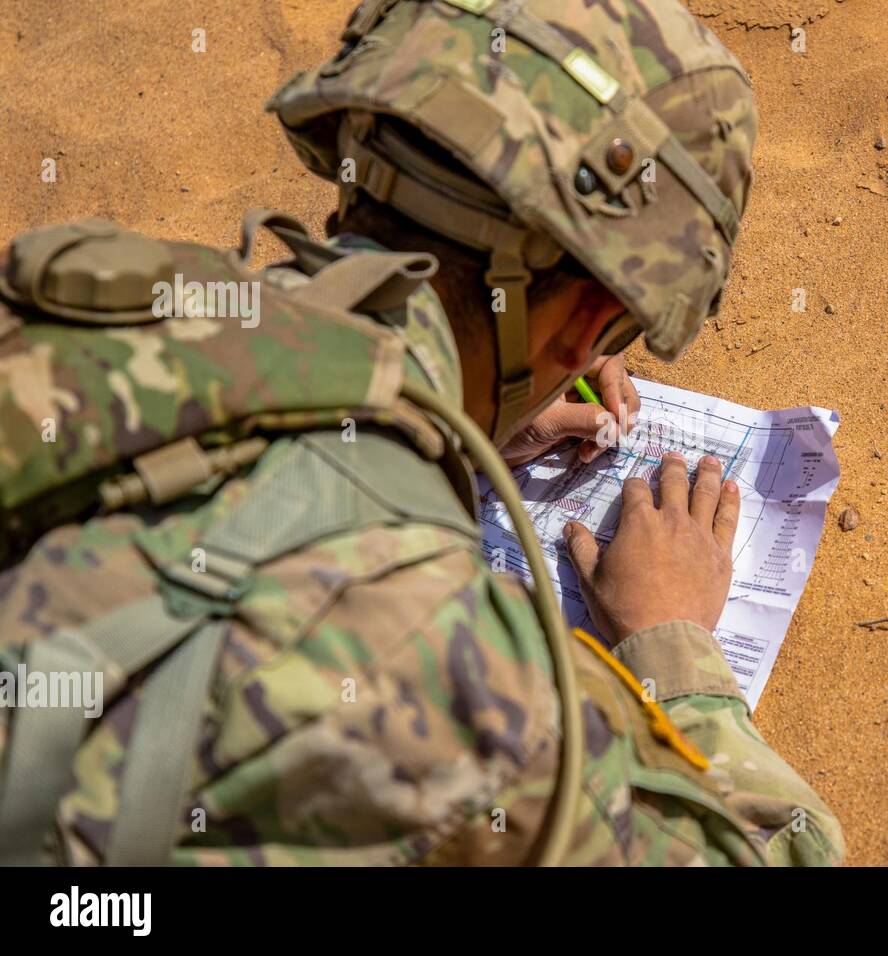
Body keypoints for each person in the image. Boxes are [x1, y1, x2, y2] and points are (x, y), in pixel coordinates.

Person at [0, 0, 842, 866]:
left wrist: (443, 431)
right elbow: (781, 852)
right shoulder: (450, 692)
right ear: (584, 329)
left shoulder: (69, 312)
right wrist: (672, 646)